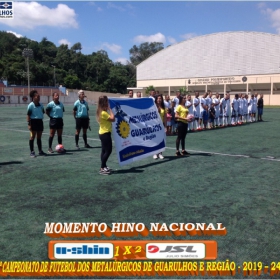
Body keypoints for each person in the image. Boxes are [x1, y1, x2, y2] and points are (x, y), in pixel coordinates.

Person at [96, 96, 115, 175]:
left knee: (104, 151)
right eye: (107, 101)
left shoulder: (102, 111)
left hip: (103, 133)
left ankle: (104, 166)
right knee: (108, 150)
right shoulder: (103, 113)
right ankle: (102, 167)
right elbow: (113, 119)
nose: (108, 103)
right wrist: (110, 109)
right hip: (105, 134)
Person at [27, 90, 46, 157]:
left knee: (39, 137)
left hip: (40, 122)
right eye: (37, 97)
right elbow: (28, 115)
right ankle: (32, 152)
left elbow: (43, 112)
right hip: (33, 122)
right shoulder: (31, 105)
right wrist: (29, 124)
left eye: (39, 97)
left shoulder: (41, 105)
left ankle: (40, 151)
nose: (38, 98)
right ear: (33, 97)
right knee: (32, 137)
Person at [153, 94, 166, 159]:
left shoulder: (163, 107)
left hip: (162, 126)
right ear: (156, 99)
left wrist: (165, 126)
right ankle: (155, 153)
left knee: (161, 139)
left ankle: (160, 153)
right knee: (155, 139)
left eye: (160, 98)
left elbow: (165, 117)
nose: (159, 99)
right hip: (155, 126)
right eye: (158, 98)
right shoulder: (153, 106)